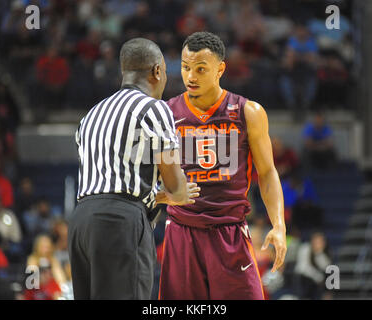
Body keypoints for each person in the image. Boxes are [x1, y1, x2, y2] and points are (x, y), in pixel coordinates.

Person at [68, 37, 199, 300]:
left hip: (81, 222)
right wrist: (179, 194)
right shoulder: (155, 108)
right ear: (157, 71)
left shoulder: (91, 114)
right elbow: (176, 186)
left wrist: (155, 195)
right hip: (120, 222)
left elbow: (110, 178)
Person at [158, 32, 286, 300]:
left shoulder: (247, 111)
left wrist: (279, 225)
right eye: (185, 67)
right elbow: (152, 175)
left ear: (220, 69)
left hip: (229, 232)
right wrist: (158, 194)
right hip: (182, 231)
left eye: (201, 69)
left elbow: (267, 172)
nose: (191, 76)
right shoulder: (166, 114)